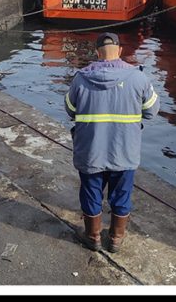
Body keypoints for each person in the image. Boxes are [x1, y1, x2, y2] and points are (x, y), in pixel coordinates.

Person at [65, 32, 160, 252]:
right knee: (122, 194)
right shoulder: (139, 78)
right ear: (120, 51)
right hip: (124, 152)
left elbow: (70, 110)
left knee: (91, 193)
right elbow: (151, 112)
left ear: (97, 53)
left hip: (91, 153)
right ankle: (116, 238)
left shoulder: (80, 78)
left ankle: (93, 237)